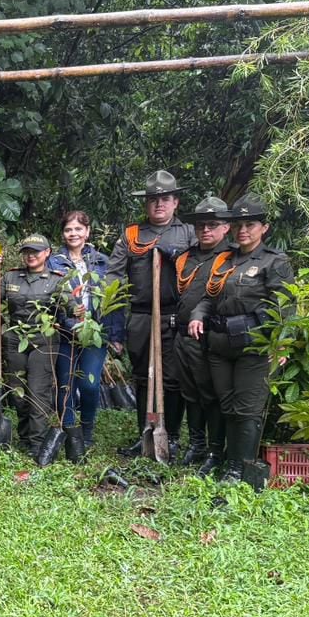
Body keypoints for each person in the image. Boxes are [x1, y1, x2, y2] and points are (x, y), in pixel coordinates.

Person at [188, 195, 293, 483]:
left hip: (254, 346)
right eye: (238, 225)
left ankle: (239, 469)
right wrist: (198, 315)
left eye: (250, 224)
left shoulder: (274, 261)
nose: (243, 230)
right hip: (220, 345)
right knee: (226, 405)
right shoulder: (224, 260)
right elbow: (209, 297)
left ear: (264, 228)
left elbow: (286, 305)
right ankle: (225, 460)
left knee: (247, 408)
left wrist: (282, 342)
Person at [107, 169, 197, 458]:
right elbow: (113, 276)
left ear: (175, 202)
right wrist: (111, 316)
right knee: (143, 377)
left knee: (172, 379)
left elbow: (200, 271)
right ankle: (144, 432)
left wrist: (179, 257)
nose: (159, 204)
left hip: (174, 316)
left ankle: (171, 436)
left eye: (165, 199)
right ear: (146, 203)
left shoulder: (189, 233)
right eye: (153, 199)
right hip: (141, 315)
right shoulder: (132, 235)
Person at [47, 210, 117, 455]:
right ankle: (70, 434)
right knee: (65, 386)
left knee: (89, 383)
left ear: (87, 232)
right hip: (65, 333)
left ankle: (87, 431)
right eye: (68, 229)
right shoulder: (53, 262)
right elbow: (51, 299)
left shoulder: (102, 261)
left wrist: (116, 335)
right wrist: (68, 323)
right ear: (62, 233)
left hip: (96, 332)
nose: (73, 234)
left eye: (78, 229)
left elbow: (113, 297)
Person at [173, 195, 231, 473]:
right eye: (200, 225)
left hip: (209, 336)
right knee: (190, 393)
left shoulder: (231, 257)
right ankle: (196, 444)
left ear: (226, 227)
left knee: (210, 394)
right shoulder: (187, 256)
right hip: (182, 334)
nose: (205, 230)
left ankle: (214, 450)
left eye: (212, 225)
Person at [1, 234, 68, 460]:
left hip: (44, 339)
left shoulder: (57, 280)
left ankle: (37, 442)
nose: (31, 256)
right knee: (17, 390)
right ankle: (25, 435)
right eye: (27, 251)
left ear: (47, 253)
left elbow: (69, 307)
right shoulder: (11, 276)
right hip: (15, 337)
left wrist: (76, 311)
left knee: (38, 391)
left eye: (36, 252)